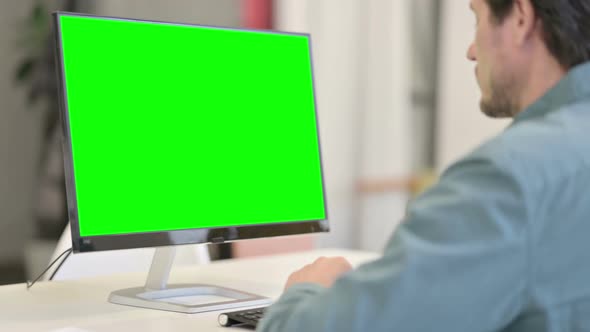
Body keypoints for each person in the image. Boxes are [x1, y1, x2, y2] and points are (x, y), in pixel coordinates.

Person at [258, 0, 590, 330]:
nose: (472, 51)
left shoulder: (509, 177)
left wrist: (304, 291)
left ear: (520, 18)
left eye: (477, 20)